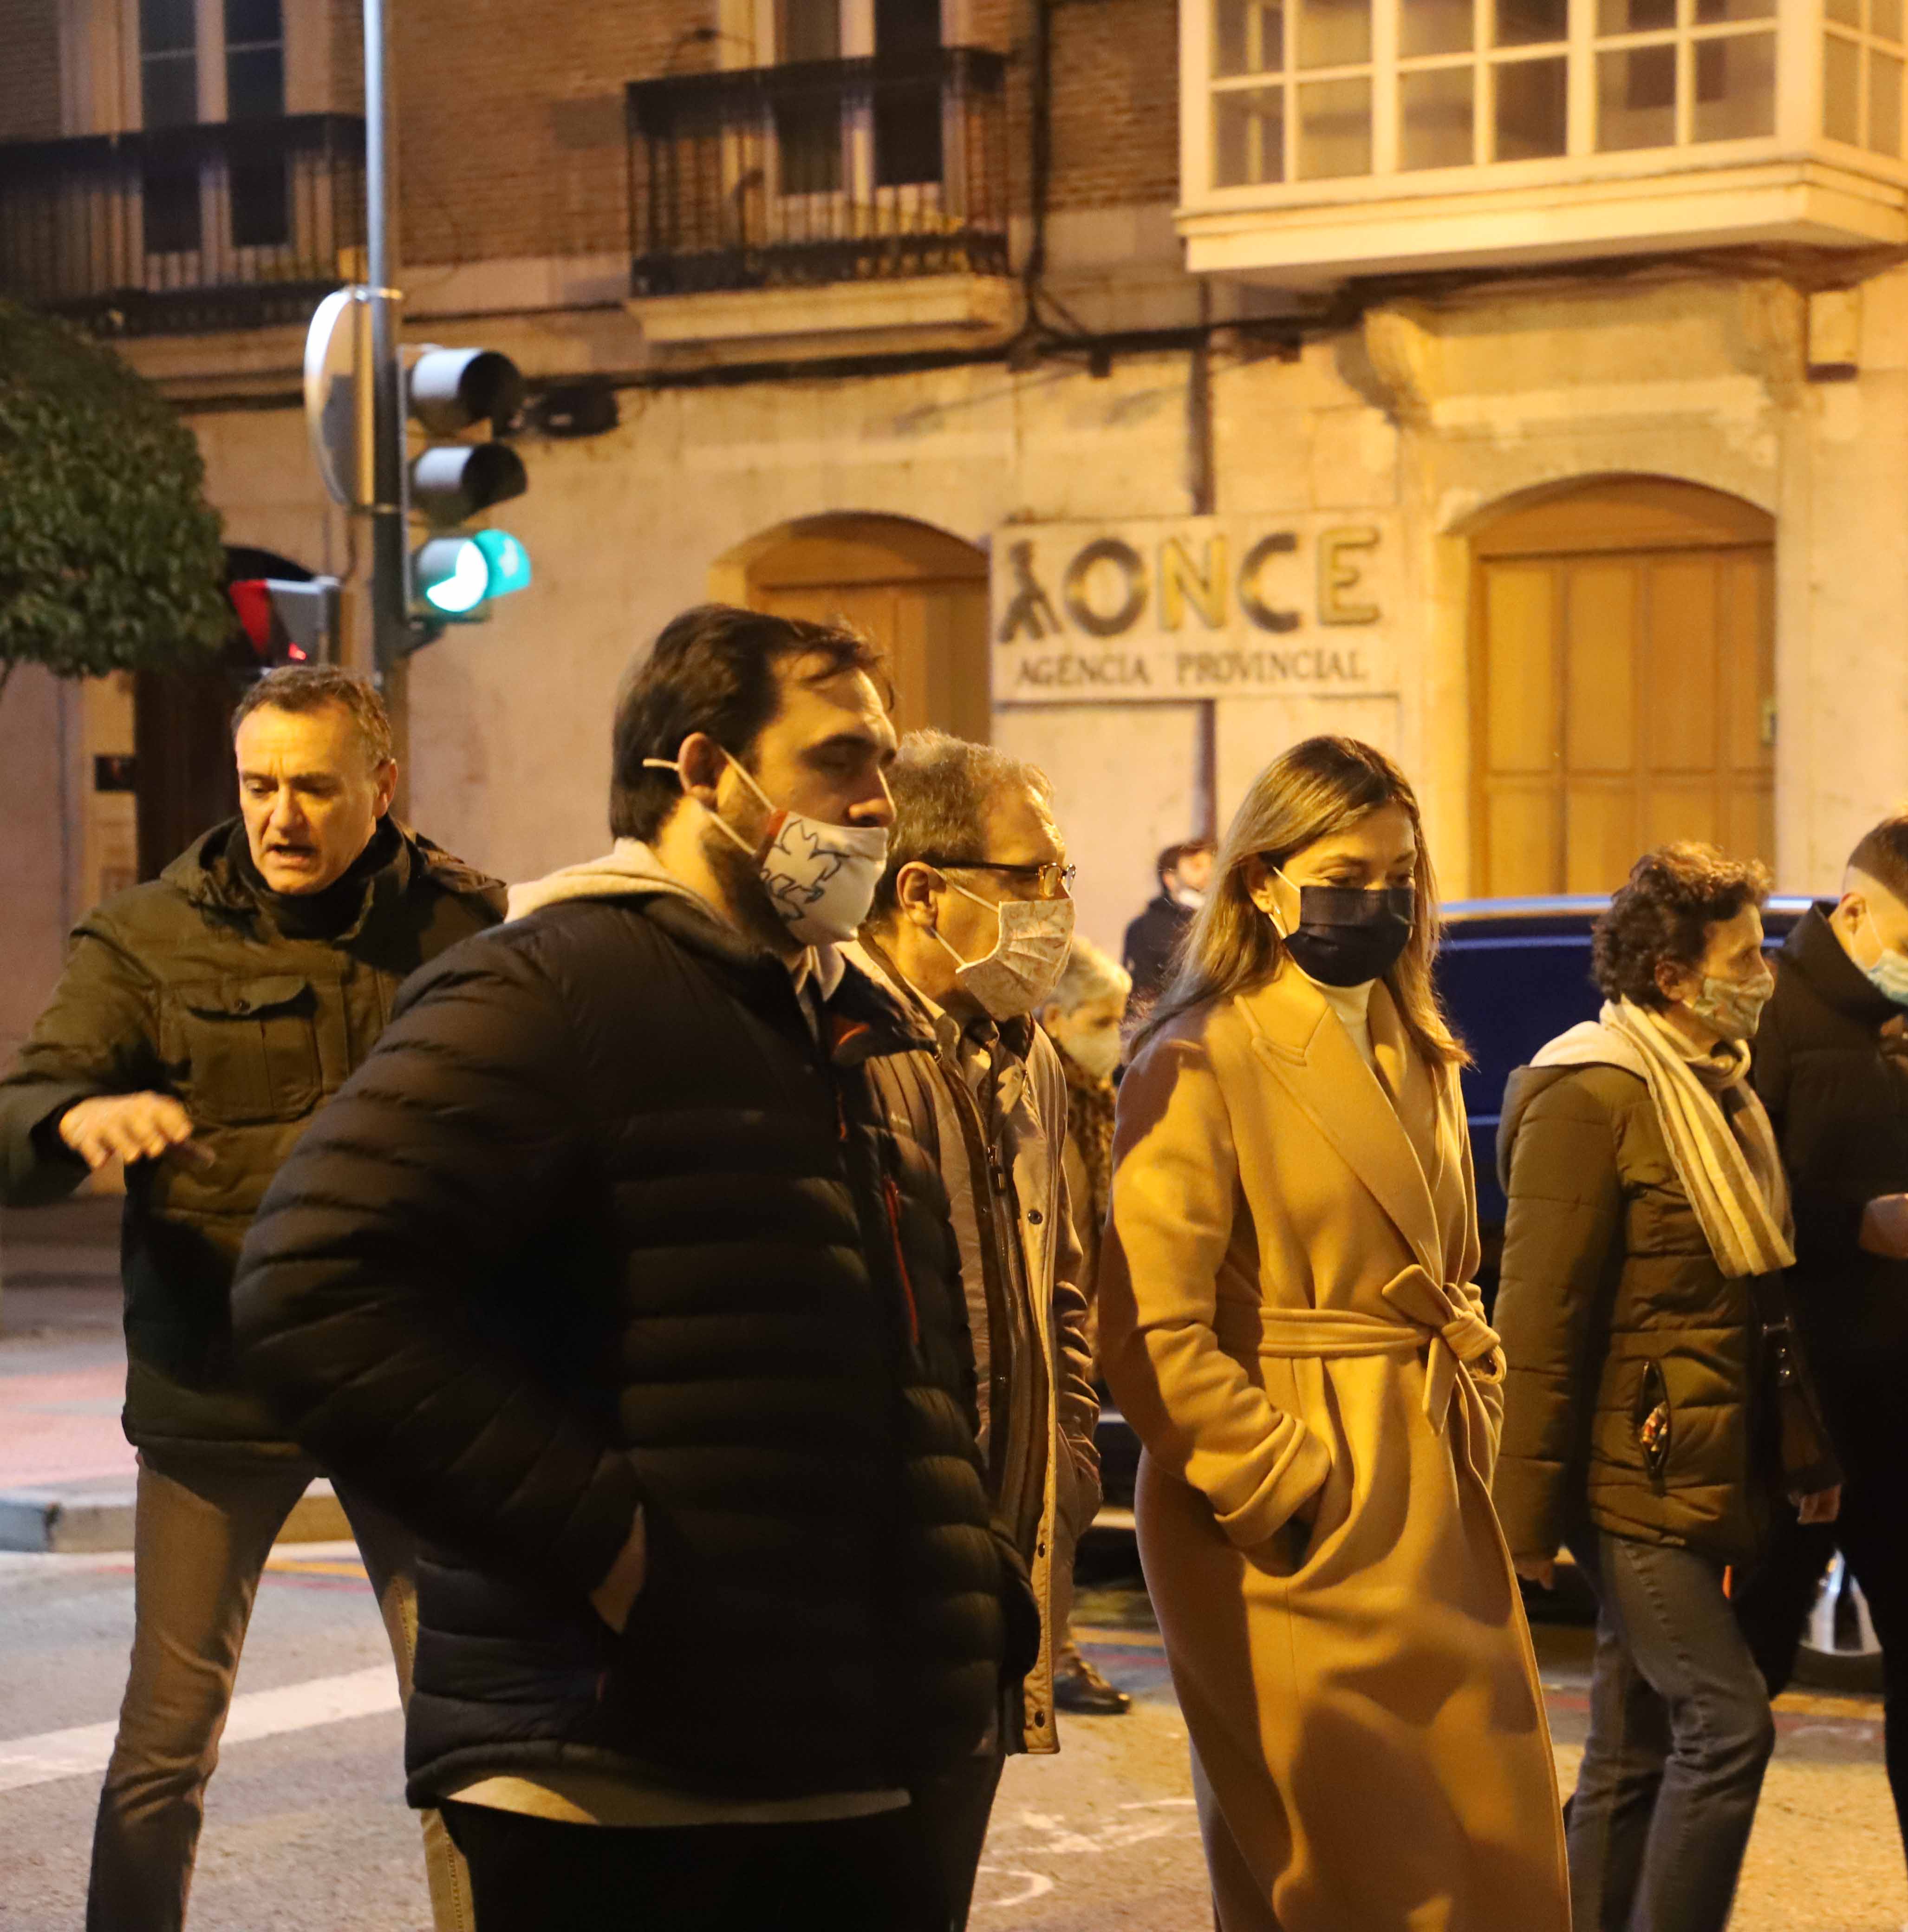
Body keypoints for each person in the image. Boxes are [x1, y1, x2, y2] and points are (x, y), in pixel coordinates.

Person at [230, 607, 1035, 1932]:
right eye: (840, 762)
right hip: (628, 1777)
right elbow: (313, 1289)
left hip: (838, 1753)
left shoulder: (824, 1018)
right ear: (708, 774)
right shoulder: (554, 987)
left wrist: (966, 1592)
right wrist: (609, 1548)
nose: (879, 806)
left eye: (881, 766)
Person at [0, 665, 499, 1932]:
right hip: (215, 1383)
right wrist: (75, 1117)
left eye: (315, 788)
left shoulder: (462, 926)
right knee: (165, 1747)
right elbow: (22, 1112)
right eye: (259, 785)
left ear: (380, 787)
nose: (282, 815)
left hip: (411, 1387)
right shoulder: (146, 939)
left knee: (473, 1738)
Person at [1100, 735, 1570, 1932]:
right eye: (1347, 873)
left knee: (1496, 1858)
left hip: (1429, 1484)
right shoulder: (1201, 1051)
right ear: (1262, 879)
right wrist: (1280, 1483)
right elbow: (1149, 1323)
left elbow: (1454, 1271)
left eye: (1400, 875)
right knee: (1352, 1878)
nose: (1379, 901)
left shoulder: (1411, 1038)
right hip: (1300, 1521)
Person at [1496, 843, 1838, 1932]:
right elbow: (1538, 1321)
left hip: (1700, 1465)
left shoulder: (1719, 1092)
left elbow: (1756, 1306)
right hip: (1627, 1472)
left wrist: (1806, 1451)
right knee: (1727, 1726)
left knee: (1631, 1746)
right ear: (1672, 975)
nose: (1765, 968)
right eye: (1746, 952)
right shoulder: (1587, 1091)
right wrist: (1518, 1526)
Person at [840, 730, 1103, 1922]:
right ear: (922, 890)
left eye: (1061, 876)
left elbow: (1062, 1289)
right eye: (1031, 875)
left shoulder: (1030, 1054)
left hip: (1002, 1558)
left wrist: (1070, 1471)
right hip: (881, 1581)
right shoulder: (840, 1049)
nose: (1056, 905)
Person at [1730, 813, 1908, 1932]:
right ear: (1852, 911)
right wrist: (1852, 1229)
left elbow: (1882, 1184)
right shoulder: (1770, 1021)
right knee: (1739, 1686)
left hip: (1900, 1398)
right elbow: (1740, 1219)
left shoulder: (1895, 1033)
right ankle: (1645, 1896)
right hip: (1801, 1410)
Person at [1033, 934, 1135, 1717]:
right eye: (1104, 1020)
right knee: (1052, 1502)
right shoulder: (1044, 1100)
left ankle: (1051, 1653)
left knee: (1063, 1498)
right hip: (1046, 1333)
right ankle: (1050, 1658)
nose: (1119, 1036)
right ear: (1057, 1019)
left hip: (1072, 1332)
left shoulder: (1090, 1102)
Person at [1122, 836, 1213, 1007]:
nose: (1209, 873)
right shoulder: (1144, 928)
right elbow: (1142, 994)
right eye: (1197, 867)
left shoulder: (1221, 920)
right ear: (1170, 879)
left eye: (1212, 866)